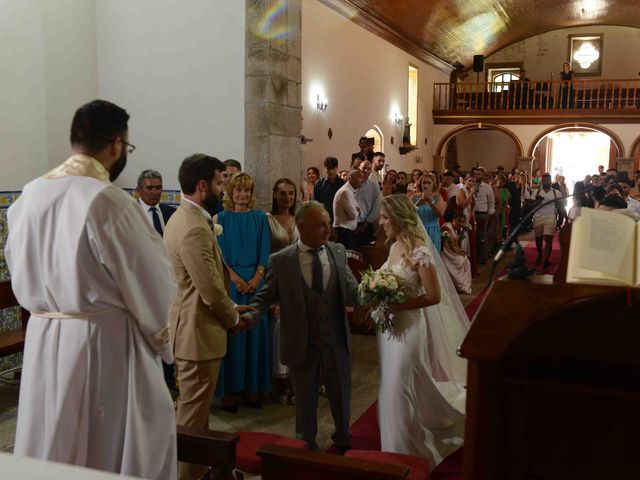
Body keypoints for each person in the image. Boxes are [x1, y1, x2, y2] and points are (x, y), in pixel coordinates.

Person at [5, 99, 178, 479]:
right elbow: (153, 285)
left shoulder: (26, 197)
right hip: (105, 345)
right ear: (116, 145)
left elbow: (18, 270)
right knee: (106, 445)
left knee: (52, 438)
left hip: (44, 337)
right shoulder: (110, 202)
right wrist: (165, 348)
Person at [164, 154, 252, 480]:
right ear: (202, 186)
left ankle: (203, 472)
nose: (224, 189)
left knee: (198, 417)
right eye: (219, 182)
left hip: (193, 329)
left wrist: (233, 309)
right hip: (196, 334)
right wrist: (232, 317)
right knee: (190, 420)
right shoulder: (192, 228)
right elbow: (210, 289)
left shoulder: (188, 219)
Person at [247, 202, 360, 452]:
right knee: (305, 403)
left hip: (336, 340)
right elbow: (263, 298)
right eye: (320, 225)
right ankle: (304, 448)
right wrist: (247, 318)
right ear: (301, 227)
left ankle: (343, 442)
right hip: (302, 342)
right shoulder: (282, 260)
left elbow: (354, 291)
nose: (327, 230)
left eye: (328, 224)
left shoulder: (338, 252)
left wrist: (380, 299)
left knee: (341, 396)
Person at [374, 194, 469, 468]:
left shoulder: (420, 251)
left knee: (397, 388)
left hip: (410, 327)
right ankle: (391, 448)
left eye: (384, 218)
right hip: (389, 330)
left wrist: (396, 303)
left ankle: (403, 455)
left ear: (399, 217)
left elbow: (434, 296)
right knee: (390, 385)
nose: (381, 223)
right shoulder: (394, 248)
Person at [214, 172, 271, 411]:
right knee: (233, 337)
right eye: (238, 190)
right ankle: (230, 393)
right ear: (230, 192)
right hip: (231, 285)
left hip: (255, 284)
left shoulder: (260, 218)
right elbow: (218, 256)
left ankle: (252, 390)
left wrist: (256, 279)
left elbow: (265, 251)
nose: (243, 194)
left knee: (256, 336)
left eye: (247, 190)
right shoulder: (219, 219)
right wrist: (236, 279)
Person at [136, 168, 178, 392]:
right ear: (139, 190)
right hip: (143, 284)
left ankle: (171, 377)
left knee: (169, 330)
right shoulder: (132, 214)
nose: (155, 192)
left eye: (158, 187)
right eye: (150, 188)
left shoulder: (170, 212)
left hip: (169, 281)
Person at [267, 178, 300, 405]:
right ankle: (279, 383)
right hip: (276, 277)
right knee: (277, 331)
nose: (287, 198)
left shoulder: (300, 218)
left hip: (297, 279)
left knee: (297, 332)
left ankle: (295, 381)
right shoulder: (267, 220)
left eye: (291, 193)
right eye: (282, 193)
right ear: (274, 195)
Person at [526, 173, 564, 269]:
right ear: (542, 181)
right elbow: (530, 205)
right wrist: (536, 202)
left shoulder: (556, 193)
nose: (546, 182)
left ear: (550, 181)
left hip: (550, 217)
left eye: (548, 180)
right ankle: (540, 254)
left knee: (548, 238)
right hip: (538, 217)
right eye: (544, 180)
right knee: (538, 239)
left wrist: (566, 218)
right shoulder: (536, 192)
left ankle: (546, 260)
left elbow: (561, 207)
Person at [441, 212, 473, 294]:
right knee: (460, 260)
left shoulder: (459, 229)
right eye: (459, 221)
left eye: (463, 222)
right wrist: (459, 252)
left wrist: (461, 251)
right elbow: (451, 245)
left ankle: (464, 285)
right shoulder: (446, 228)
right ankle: (460, 285)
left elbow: (456, 244)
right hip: (446, 252)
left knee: (465, 259)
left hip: (452, 251)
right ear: (453, 219)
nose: (460, 224)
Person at [413, 173, 446, 252]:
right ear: (420, 184)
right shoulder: (415, 197)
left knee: (432, 258)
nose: (426, 185)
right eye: (424, 182)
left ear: (433, 185)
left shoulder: (437, 197)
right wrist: (417, 204)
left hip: (432, 230)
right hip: (418, 230)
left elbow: (440, 214)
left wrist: (430, 202)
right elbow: (407, 211)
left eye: (429, 183)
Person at [333, 169, 363, 250]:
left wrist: (357, 210)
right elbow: (352, 215)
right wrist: (358, 211)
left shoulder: (350, 191)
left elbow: (359, 209)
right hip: (343, 232)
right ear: (351, 179)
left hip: (348, 231)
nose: (362, 180)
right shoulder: (345, 192)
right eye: (360, 178)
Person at [355, 159, 382, 245]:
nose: (366, 171)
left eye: (368, 169)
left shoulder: (374, 186)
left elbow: (376, 207)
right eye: (364, 168)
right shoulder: (352, 183)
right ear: (359, 169)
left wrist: (365, 224)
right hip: (351, 222)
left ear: (371, 171)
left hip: (366, 223)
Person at [314, 156, 345, 224]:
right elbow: (316, 203)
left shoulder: (343, 184)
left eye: (332, 168)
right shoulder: (318, 184)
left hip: (339, 219)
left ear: (336, 168)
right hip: (323, 218)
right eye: (327, 168)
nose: (329, 171)